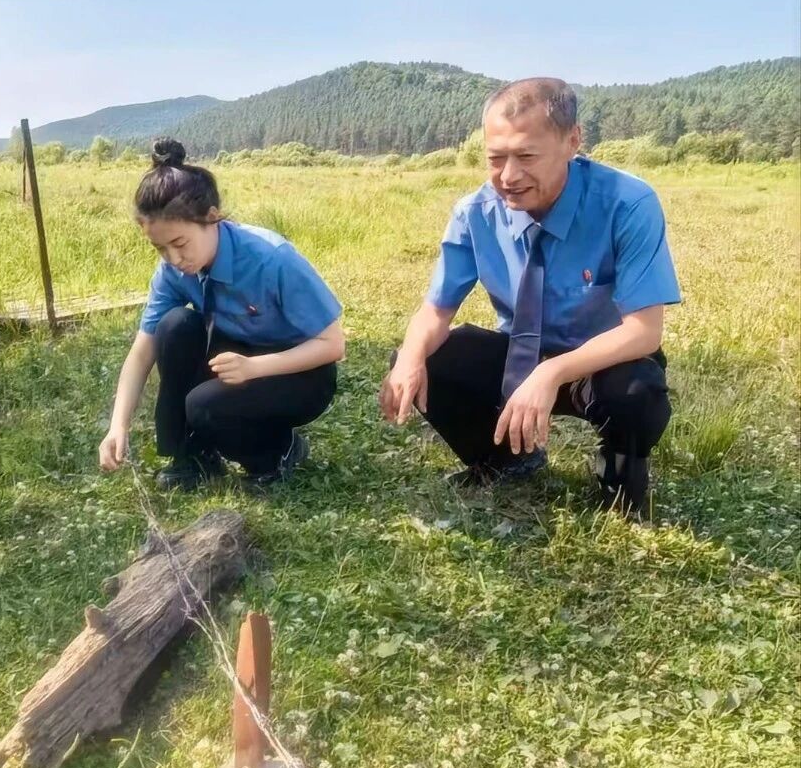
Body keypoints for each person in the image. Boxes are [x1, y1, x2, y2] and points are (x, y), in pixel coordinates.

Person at [379, 77, 681, 516]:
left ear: (572, 140)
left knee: (637, 390)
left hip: (599, 362)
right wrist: (408, 359)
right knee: (426, 356)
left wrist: (551, 374)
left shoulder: (627, 203)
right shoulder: (475, 213)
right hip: (520, 353)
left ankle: (619, 477)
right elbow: (436, 309)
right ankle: (506, 459)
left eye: (526, 156)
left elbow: (643, 332)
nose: (508, 176)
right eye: (495, 159)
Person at [99, 138, 345, 490]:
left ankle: (277, 451)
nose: (173, 259)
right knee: (175, 326)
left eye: (180, 243)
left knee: (205, 407)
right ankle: (193, 457)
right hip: (236, 353)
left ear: (211, 218)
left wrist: (255, 368)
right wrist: (117, 425)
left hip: (301, 370)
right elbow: (142, 352)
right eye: (160, 248)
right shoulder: (172, 271)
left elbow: (333, 344)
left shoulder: (271, 258)